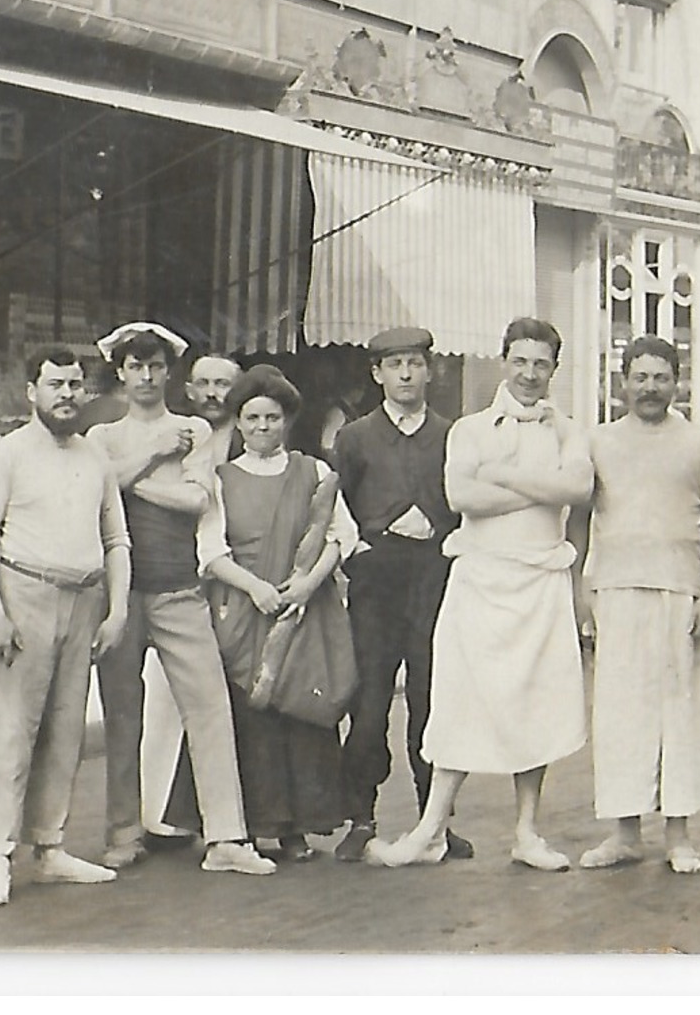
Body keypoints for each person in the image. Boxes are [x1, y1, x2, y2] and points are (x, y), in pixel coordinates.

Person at [367, 317, 592, 871]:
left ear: (554, 369)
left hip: (541, 582)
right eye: (520, 361)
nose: (530, 374)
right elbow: (463, 496)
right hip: (480, 581)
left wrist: (507, 476)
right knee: (459, 703)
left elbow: (579, 489)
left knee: (537, 707)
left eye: (541, 364)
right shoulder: (469, 430)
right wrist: (541, 488)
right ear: (503, 361)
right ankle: (430, 829)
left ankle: (527, 833)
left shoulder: (569, 430)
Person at [89, 324, 275, 876]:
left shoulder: (191, 428)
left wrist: (125, 482)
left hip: (179, 587)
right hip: (120, 591)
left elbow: (196, 499)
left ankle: (226, 838)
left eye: (154, 366)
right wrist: (148, 457)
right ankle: (123, 831)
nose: (145, 377)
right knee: (123, 715)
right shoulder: (103, 437)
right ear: (120, 373)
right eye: (134, 366)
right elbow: (96, 489)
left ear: (169, 372)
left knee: (210, 707)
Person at [0, 347, 133, 907]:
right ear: (31, 391)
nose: (66, 394)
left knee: (66, 731)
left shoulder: (95, 457)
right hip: (23, 594)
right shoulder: (6, 455)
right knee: (13, 731)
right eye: (55, 384)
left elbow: (117, 540)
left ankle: (50, 846)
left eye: (75, 385)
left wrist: (118, 609)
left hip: (83, 599)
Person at [163, 367, 358, 860]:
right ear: (240, 422)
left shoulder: (312, 471)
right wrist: (255, 589)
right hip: (243, 609)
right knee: (249, 715)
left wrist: (308, 584)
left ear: (287, 420)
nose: (263, 427)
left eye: (273, 417)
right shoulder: (221, 479)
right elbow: (210, 551)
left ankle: (296, 830)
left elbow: (342, 535)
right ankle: (246, 826)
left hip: (301, 608)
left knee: (299, 714)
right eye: (252, 418)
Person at [578, 336, 700, 874]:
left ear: (676, 381)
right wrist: (582, 586)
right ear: (622, 381)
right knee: (621, 714)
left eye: (660, 377)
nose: (650, 388)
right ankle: (624, 832)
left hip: (680, 591)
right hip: (617, 590)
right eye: (640, 377)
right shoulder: (596, 440)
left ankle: (679, 836)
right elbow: (579, 517)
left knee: (680, 712)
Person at [332, 327, 472, 863]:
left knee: (430, 702)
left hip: (433, 579)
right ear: (377, 374)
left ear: (430, 370)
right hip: (376, 583)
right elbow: (336, 509)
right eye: (395, 366)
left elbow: (461, 502)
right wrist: (358, 553)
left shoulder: (450, 434)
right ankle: (361, 819)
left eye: (415, 364)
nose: (407, 375)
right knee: (368, 705)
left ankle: (434, 820)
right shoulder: (356, 437)